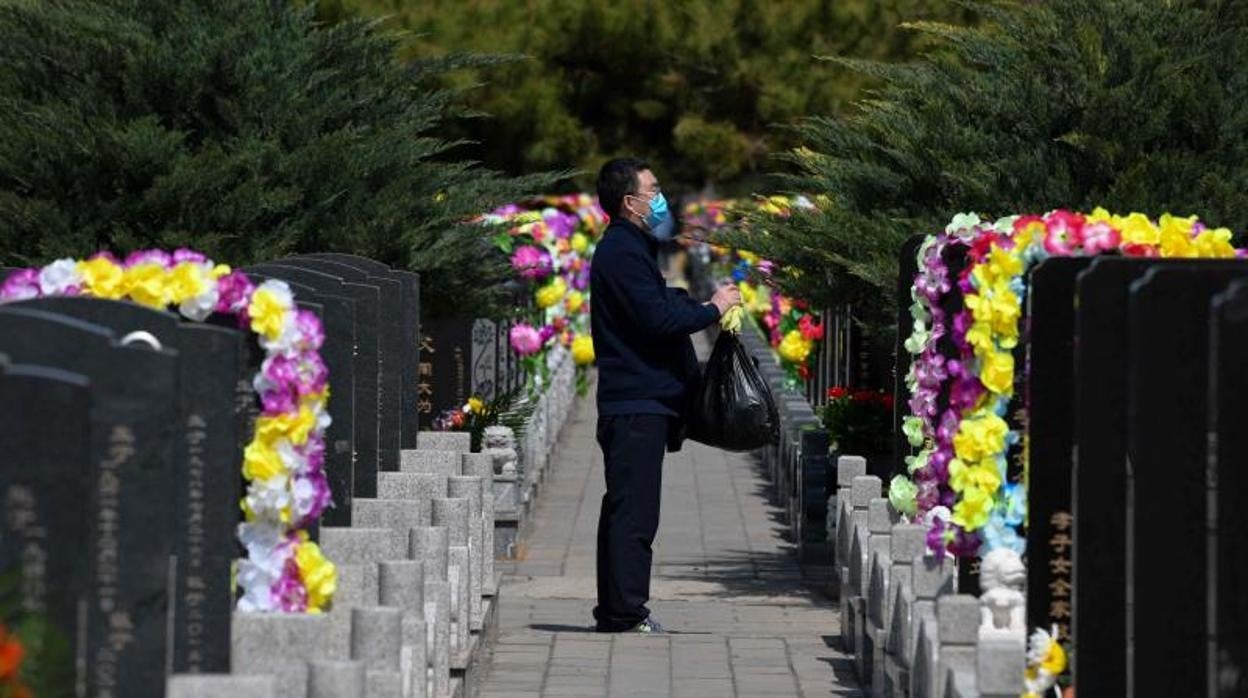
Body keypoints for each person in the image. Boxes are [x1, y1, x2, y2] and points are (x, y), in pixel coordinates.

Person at [589, 158, 741, 633]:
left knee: (625, 508)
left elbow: (652, 304)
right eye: (652, 191)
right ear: (629, 202)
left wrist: (683, 300)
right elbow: (656, 320)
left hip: (638, 402)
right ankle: (625, 612)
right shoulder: (621, 252)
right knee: (634, 513)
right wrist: (712, 309)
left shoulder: (631, 248)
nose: (661, 199)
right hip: (635, 403)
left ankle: (617, 608)